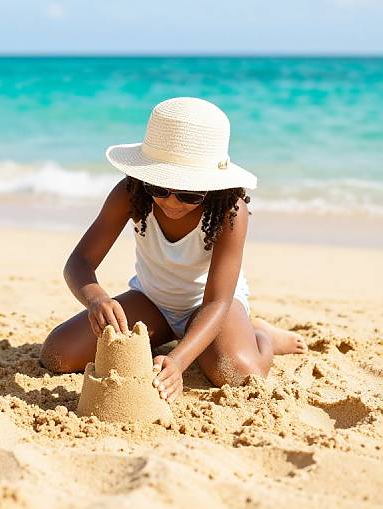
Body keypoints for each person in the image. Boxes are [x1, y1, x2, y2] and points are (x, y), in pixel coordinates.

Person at [40, 97, 307, 404]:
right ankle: (166, 337)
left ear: (214, 187)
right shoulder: (130, 193)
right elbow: (79, 261)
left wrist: (179, 361)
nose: (171, 202)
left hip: (211, 309)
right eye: (159, 188)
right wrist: (96, 299)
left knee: (237, 374)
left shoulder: (230, 212)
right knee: (57, 355)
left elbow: (218, 301)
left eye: (189, 194)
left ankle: (261, 335)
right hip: (152, 302)